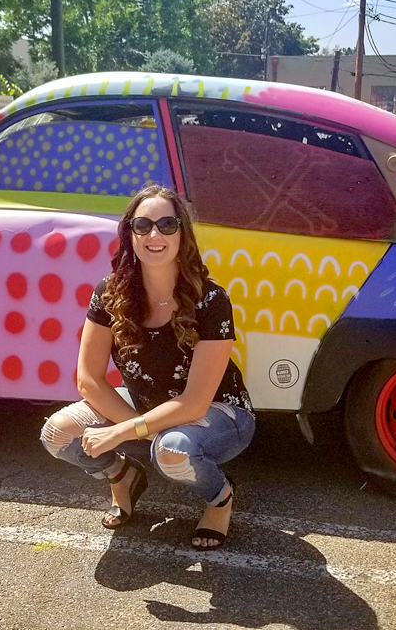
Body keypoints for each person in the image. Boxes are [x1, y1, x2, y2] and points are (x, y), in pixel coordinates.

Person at [39, 185, 254, 549]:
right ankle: (121, 475)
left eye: (167, 224)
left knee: (172, 451)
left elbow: (194, 403)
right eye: (143, 225)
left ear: (182, 234)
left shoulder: (211, 299)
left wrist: (125, 432)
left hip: (219, 412)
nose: (155, 235)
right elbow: (88, 380)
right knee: (57, 434)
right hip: (145, 406)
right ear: (130, 234)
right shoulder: (110, 293)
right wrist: (132, 430)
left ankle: (220, 498)